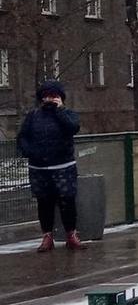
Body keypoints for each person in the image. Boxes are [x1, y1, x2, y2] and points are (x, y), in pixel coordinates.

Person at [16, 80, 85, 252]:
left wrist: (60, 110)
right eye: (46, 96)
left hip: (64, 166)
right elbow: (23, 137)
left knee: (67, 200)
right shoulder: (33, 116)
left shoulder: (68, 114)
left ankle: (71, 235)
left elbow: (72, 128)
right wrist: (29, 151)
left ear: (60, 97)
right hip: (39, 168)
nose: (49, 99)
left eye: (53, 96)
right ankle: (47, 236)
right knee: (44, 202)